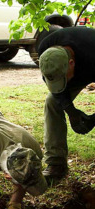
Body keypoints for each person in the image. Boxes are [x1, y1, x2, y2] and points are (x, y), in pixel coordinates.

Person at [38, 27, 95, 181]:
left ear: (71, 63)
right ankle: (56, 163)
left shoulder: (92, 50)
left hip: (90, 64)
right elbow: (54, 86)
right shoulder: (46, 50)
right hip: (78, 71)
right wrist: (71, 111)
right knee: (52, 102)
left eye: (63, 78)